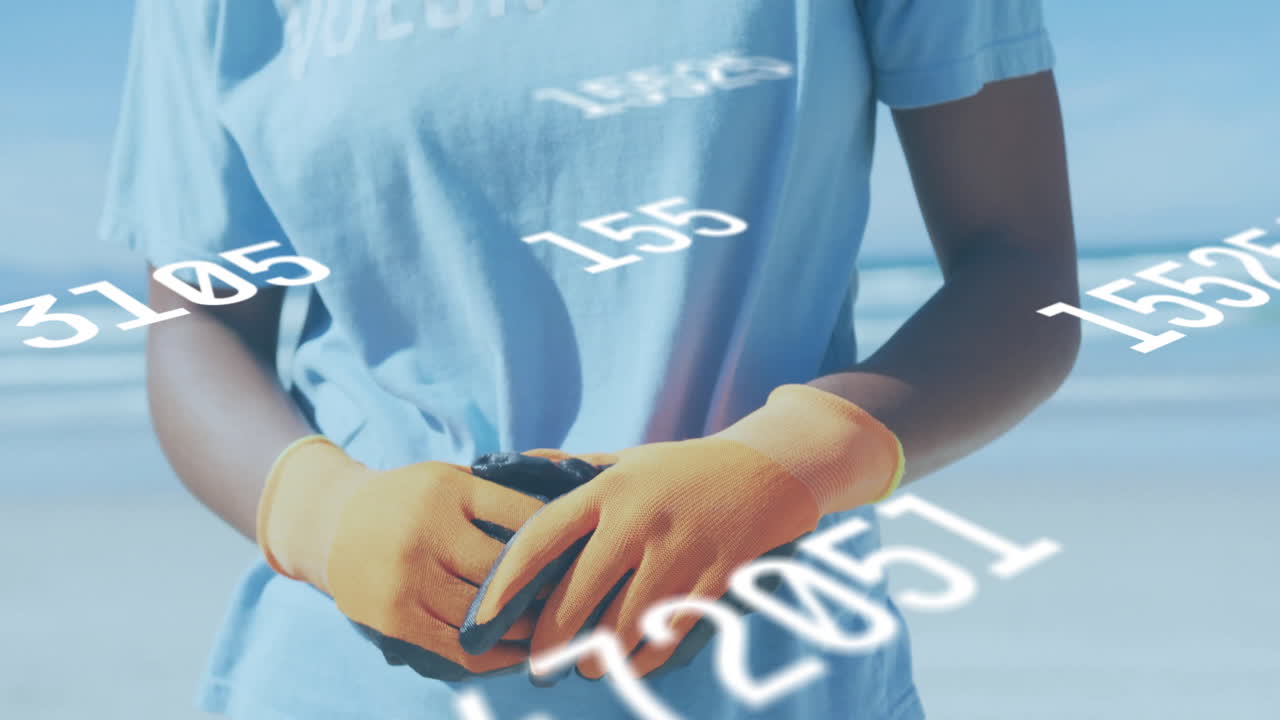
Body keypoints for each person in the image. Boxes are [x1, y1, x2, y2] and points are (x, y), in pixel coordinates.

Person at [101, 0, 1080, 718]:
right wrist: (328, 517)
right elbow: (197, 328)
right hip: (332, 687)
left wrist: (784, 463)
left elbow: (1020, 267)